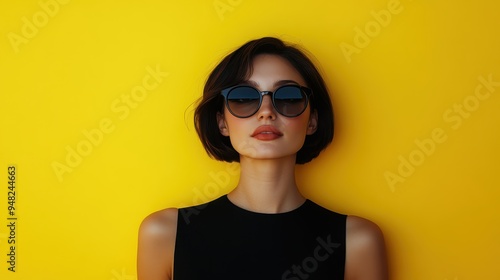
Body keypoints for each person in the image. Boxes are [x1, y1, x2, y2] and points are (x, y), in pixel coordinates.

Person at [137, 37, 388, 280]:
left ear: (312, 120)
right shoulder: (165, 235)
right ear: (222, 122)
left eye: (288, 97)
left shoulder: (357, 242)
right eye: (243, 98)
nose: (266, 112)